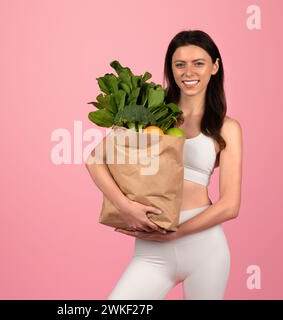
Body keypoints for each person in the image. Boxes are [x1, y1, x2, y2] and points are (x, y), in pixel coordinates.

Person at [85, 29, 243, 300]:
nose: (188, 72)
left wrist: (175, 234)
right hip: (151, 248)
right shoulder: (150, 114)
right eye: (179, 64)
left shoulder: (227, 128)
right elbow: (95, 159)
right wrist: (127, 208)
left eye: (198, 63)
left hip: (204, 248)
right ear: (171, 69)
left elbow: (230, 205)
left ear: (215, 67)